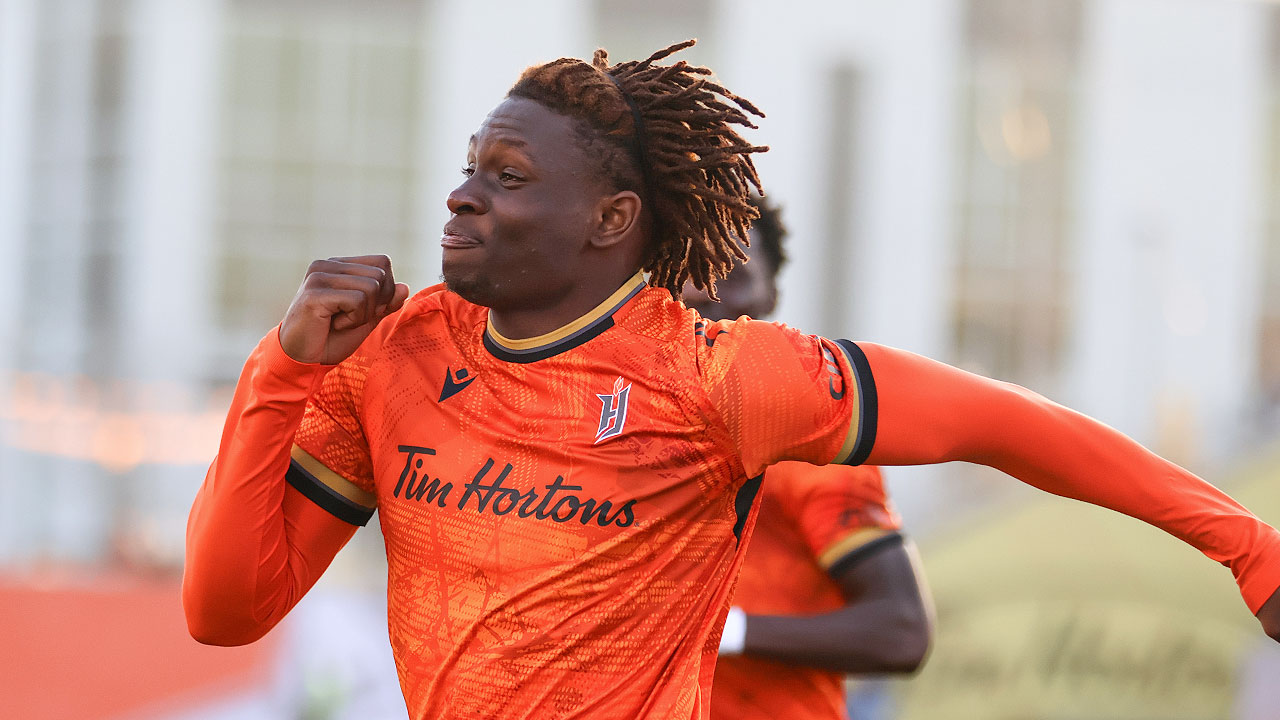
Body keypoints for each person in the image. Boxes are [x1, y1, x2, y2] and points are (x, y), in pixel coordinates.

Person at [183, 41, 1280, 720]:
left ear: (611, 221)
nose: (461, 196)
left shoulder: (720, 376)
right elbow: (225, 613)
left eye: (505, 177)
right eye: (470, 164)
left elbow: (1003, 425)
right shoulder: (386, 354)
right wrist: (276, 370)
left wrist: (1245, 543)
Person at [680, 197, 932, 720]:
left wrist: (728, 629)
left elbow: (902, 630)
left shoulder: (812, 447)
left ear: (771, 295)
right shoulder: (605, 421)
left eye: (733, 274)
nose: (704, 292)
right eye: (686, 269)